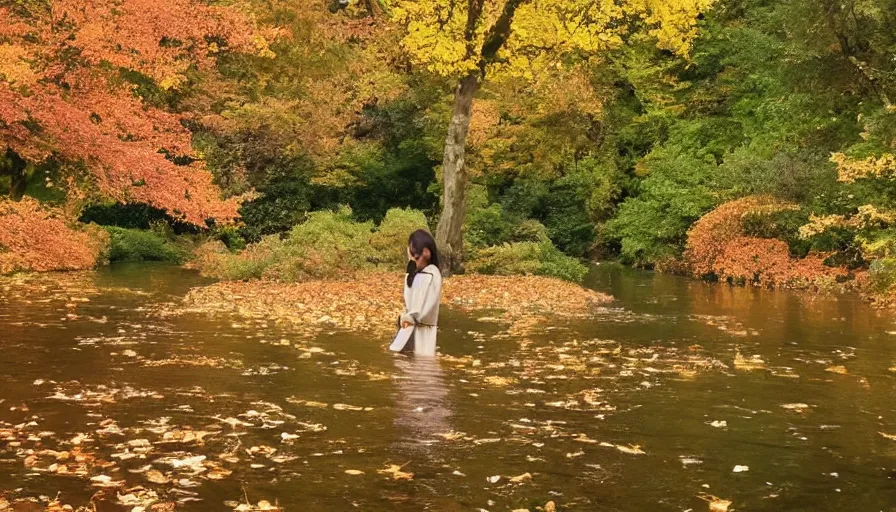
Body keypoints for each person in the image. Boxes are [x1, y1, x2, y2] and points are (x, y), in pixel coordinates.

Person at [399, 230, 442, 357]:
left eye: (417, 258)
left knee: (423, 362)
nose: (415, 262)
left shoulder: (432, 273)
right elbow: (410, 299)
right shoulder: (416, 273)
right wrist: (405, 316)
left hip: (425, 329)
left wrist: (412, 317)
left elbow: (427, 303)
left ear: (427, 252)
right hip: (411, 327)